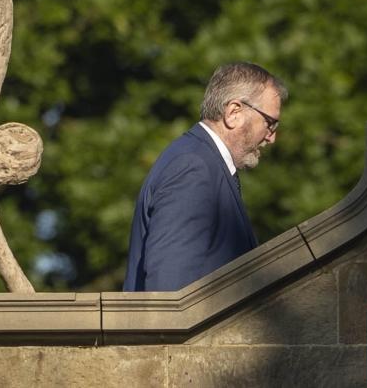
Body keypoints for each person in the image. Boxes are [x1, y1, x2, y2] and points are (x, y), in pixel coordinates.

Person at [123, 62, 287, 292]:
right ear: (234, 113)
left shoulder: (203, 162)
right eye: (270, 123)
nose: (271, 137)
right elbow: (169, 289)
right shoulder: (193, 168)